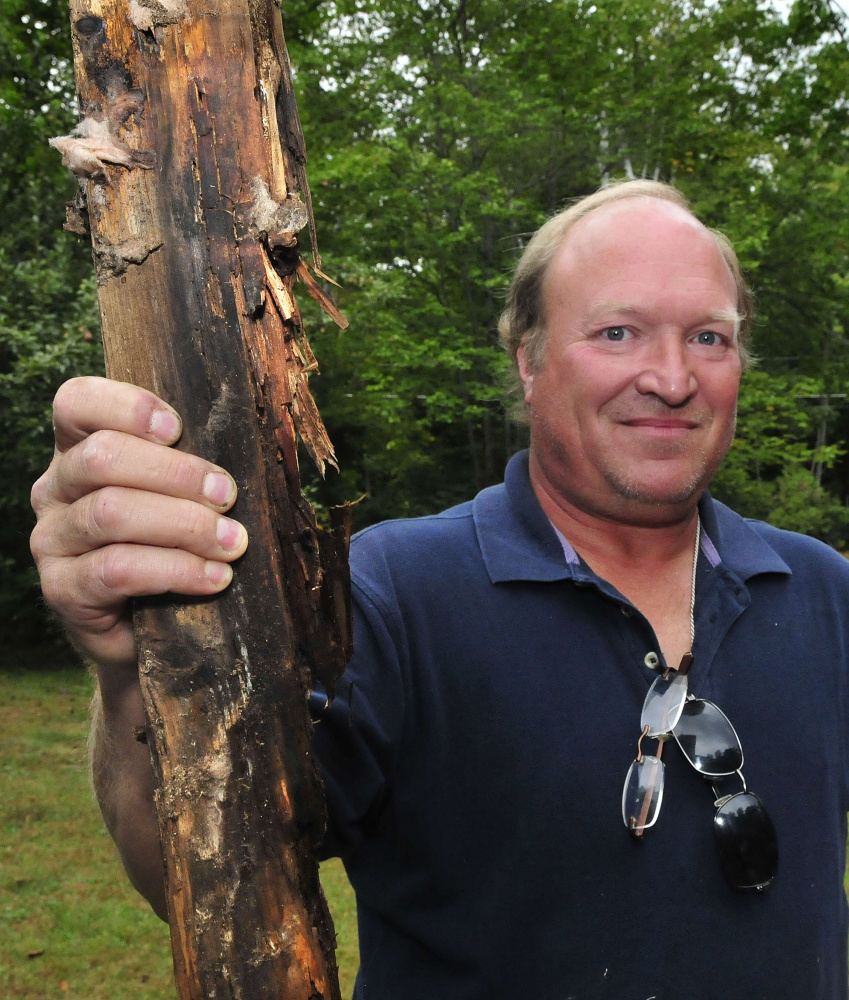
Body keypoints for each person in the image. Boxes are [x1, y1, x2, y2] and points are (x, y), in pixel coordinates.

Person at [30, 180, 849, 999]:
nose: (671, 379)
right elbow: (200, 876)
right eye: (617, 332)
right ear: (527, 361)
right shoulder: (389, 598)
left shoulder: (821, 592)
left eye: (707, 336)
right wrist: (128, 670)